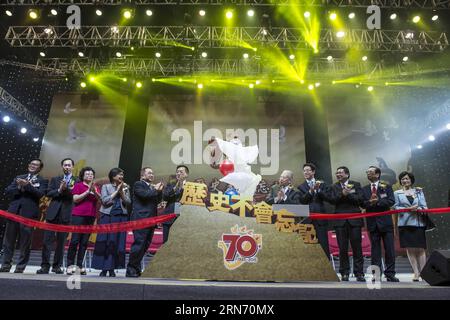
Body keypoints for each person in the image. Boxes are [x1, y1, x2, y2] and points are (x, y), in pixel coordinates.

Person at [0, 159, 48, 273]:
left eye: (36, 165)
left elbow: (40, 194)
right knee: (8, 241)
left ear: (40, 168)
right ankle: (6, 264)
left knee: (25, 242)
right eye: (31, 164)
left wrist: (27, 186)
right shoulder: (19, 177)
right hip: (14, 212)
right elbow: (8, 190)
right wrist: (18, 187)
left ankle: (20, 267)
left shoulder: (43, 180)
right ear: (28, 165)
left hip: (29, 215)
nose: (33, 166)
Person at [37, 158, 78, 274]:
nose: (67, 167)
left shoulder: (77, 180)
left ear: (73, 167)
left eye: (69, 165)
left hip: (66, 213)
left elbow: (76, 195)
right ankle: (45, 266)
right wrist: (59, 190)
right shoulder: (55, 179)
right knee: (47, 241)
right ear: (62, 167)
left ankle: (57, 266)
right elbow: (48, 193)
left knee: (61, 243)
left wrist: (68, 190)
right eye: (65, 165)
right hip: (52, 214)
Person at [327, 166, 365, 282]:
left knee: (357, 247)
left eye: (340, 173)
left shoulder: (356, 184)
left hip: (355, 219)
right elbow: (332, 200)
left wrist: (349, 194)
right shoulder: (334, 186)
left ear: (347, 174)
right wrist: (342, 194)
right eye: (337, 173)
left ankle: (359, 273)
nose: (338, 174)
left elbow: (360, 200)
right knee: (342, 248)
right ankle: (344, 273)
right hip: (340, 220)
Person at [362, 165, 399, 282]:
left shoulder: (386, 187)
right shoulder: (365, 189)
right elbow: (362, 204)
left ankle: (390, 274)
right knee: (375, 250)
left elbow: (391, 201)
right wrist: (370, 202)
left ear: (377, 174)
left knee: (389, 249)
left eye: (371, 172)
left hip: (386, 223)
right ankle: (376, 274)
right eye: (367, 172)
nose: (368, 174)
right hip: (372, 223)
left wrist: (378, 202)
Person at [92, 168, 131, 277]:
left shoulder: (126, 187)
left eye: (122, 174)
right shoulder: (106, 186)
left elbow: (128, 202)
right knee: (106, 241)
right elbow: (104, 200)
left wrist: (122, 192)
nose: (121, 176)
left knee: (118, 243)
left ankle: (112, 268)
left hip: (121, 217)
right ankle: (104, 268)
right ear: (113, 176)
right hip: (107, 216)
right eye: (119, 174)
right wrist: (116, 191)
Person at [126, 167, 164, 277]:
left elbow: (158, 200)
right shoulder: (138, 184)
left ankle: (136, 268)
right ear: (143, 175)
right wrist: (155, 190)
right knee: (139, 244)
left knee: (145, 245)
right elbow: (144, 195)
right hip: (140, 219)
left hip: (151, 220)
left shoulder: (151, 187)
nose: (152, 175)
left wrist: (160, 191)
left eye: (153, 173)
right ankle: (130, 269)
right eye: (149, 173)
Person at [394, 171, 428, 281]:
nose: (405, 181)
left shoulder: (418, 191)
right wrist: (408, 209)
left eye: (407, 179)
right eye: (403, 179)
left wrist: (419, 209)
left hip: (418, 222)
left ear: (411, 180)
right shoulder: (397, 193)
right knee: (410, 249)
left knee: (421, 248)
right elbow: (395, 207)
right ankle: (416, 273)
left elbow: (425, 207)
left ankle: (424, 272)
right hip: (404, 223)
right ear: (400, 181)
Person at [66, 166, 100, 275]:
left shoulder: (96, 187)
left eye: (91, 174)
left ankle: (79, 266)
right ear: (83, 176)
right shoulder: (78, 185)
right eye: (87, 174)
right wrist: (87, 192)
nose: (90, 176)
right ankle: (70, 266)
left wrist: (95, 192)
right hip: (78, 216)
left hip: (90, 217)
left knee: (84, 242)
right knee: (75, 241)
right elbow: (75, 199)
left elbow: (100, 200)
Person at [297, 163, 330, 259]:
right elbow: (302, 200)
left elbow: (328, 198)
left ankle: (326, 268)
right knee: (309, 243)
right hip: (307, 219)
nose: (306, 172)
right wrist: (311, 191)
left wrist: (318, 190)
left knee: (323, 243)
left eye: (308, 170)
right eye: (304, 171)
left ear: (313, 172)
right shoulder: (301, 186)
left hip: (320, 217)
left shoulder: (322, 184)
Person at [162, 165, 189, 243]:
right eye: (177, 172)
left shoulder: (190, 186)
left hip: (184, 217)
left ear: (186, 174)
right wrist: (176, 187)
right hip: (169, 216)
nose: (178, 173)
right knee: (166, 241)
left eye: (181, 172)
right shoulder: (171, 185)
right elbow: (165, 197)